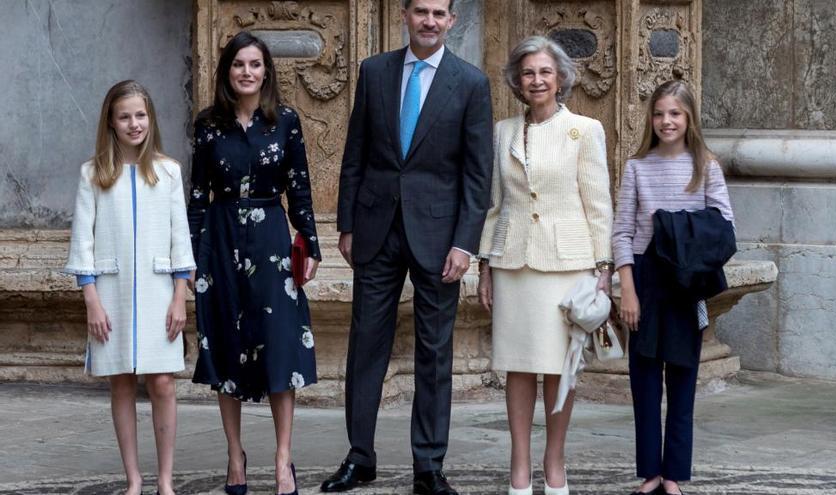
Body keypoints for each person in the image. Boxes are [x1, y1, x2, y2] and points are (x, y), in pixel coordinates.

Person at [321, 0, 493, 493]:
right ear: (405, 14)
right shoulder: (374, 72)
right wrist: (348, 223)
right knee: (365, 346)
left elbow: (477, 176)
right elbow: (355, 152)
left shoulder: (471, 83)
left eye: (440, 13)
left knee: (434, 353)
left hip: (439, 239)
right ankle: (360, 456)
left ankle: (429, 466)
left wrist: (466, 243)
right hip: (376, 231)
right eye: (421, 11)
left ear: (452, 21)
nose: (430, 21)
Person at [476, 36, 614, 495]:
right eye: (529, 73)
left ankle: (554, 462)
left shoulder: (585, 130)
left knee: (560, 367)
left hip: (567, 265)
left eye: (545, 72)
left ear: (560, 79)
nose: (537, 80)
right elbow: (494, 204)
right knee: (517, 366)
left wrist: (604, 270)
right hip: (514, 261)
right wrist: (486, 265)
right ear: (517, 80)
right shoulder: (502, 132)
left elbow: (598, 204)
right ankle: (519, 465)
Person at [187, 31, 321, 495]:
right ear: (227, 71)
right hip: (220, 240)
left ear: (267, 71)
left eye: (255, 64)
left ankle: (284, 461)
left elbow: (299, 186)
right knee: (225, 343)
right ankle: (235, 456)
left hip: (270, 237)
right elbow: (198, 195)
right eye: (239, 64)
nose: (247, 72)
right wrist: (191, 255)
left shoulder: (285, 121)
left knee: (280, 344)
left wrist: (311, 243)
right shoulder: (208, 125)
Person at [64, 80, 195, 495]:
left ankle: (166, 480)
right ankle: (134, 480)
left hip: (161, 294)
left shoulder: (169, 172)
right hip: (111, 293)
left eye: (140, 115)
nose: (134, 123)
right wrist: (92, 302)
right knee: (120, 380)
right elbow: (82, 240)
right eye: (124, 116)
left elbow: (181, 237)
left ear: (150, 119)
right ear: (111, 122)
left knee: (162, 383)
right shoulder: (93, 174)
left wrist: (180, 297)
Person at [612, 80, 734, 495]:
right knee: (644, 380)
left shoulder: (706, 166)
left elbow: (724, 226)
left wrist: (680, 234)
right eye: (660, 113)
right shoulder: (637, 167)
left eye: (675, 114)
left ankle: (674, 475)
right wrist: (627, 289)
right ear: (651, 118)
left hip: (687, 281)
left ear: (689, 119)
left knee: (682, 379)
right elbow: (622, 232)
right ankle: (649, 472)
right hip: (646, 278)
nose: (667, 121)